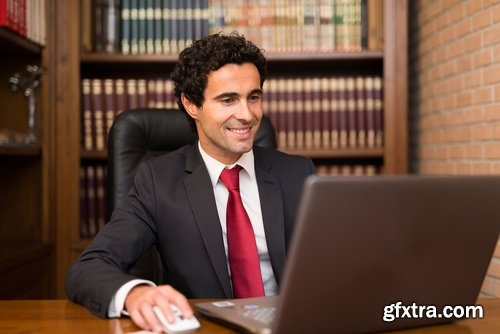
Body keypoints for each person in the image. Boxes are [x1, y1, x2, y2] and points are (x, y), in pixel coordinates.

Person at [65, 32, 315, 332]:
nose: (247, 114)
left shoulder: (298, 174)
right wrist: (136, 293)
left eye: (254, 97)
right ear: (191, 104)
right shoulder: (157, 181)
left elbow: (337, 263)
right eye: (228, 100)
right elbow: (88, 268)